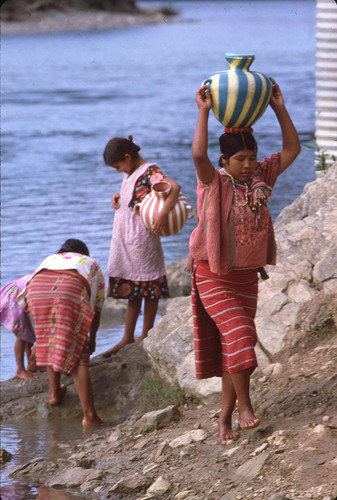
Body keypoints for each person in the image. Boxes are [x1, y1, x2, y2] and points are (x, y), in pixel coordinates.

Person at [189, 83, 301, 445]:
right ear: (225, 161)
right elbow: (197, 155)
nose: (249, 165)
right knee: (240, 338)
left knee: (234, 347)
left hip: (245, 278)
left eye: (252, 158)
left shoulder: (261, 180)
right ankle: (245, 409)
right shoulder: (213, 183)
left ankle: (223, 419)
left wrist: (279, 107)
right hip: (212, 274)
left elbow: (292, 149)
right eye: (240, 160)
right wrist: (204, 111)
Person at [102, 135, 181, 356]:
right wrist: (118, 199)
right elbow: (137, 196)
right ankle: (127, 337)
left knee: (149, 289)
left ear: (128, 157)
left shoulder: (150, 171)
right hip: (126, 239)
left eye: (118, 166)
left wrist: (164, 213)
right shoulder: (130, 173)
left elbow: (173, 188)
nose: (118, 171)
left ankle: (146, 335)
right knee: (133, 292)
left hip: (142, 240)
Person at [17, 239, 106, 425]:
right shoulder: (91, 263)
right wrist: (91, 339)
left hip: (36, 290)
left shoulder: (50, 259)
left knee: (49, 338)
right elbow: (96, 308)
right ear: (84, 253)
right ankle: (90, 416)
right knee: (79, 349)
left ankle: (54, 392)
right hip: (69, 288)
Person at [0, 275, 37, 380]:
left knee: (29, 331)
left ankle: (32, 364)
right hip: (15, 297)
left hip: (25, 295)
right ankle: (20, 369)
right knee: (22, 334)